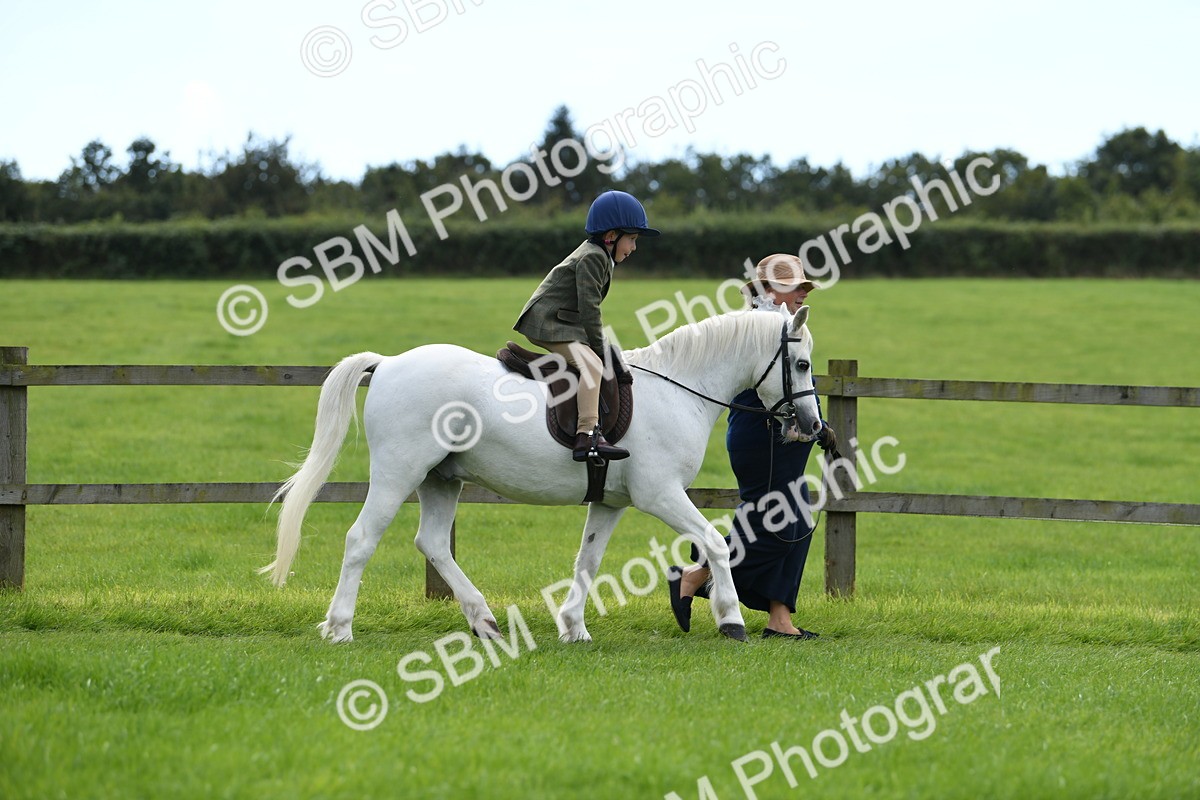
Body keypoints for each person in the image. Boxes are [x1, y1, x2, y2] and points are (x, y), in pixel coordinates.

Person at [667, 254, 837, 640]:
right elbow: (774, 391)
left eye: (804, 288)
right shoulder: (763, 326)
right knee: (780, 524)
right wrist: (811, 427)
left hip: (774, 437)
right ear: (770, 290)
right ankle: (696, 575)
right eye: (796, 288)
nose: (802, 295)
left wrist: (818, 425)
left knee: (795, 522)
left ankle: (779, 619)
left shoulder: (777, 323)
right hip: (765, 437)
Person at [513, 190, 659, 462]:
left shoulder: (599, 254)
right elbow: (590, 308)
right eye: (632, 239)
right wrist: (598, 346)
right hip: (548, 323)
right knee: (592, 365)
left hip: (563, 322)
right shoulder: (593, 257)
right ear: (612, 236)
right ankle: (587, 435)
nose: (634, 248)